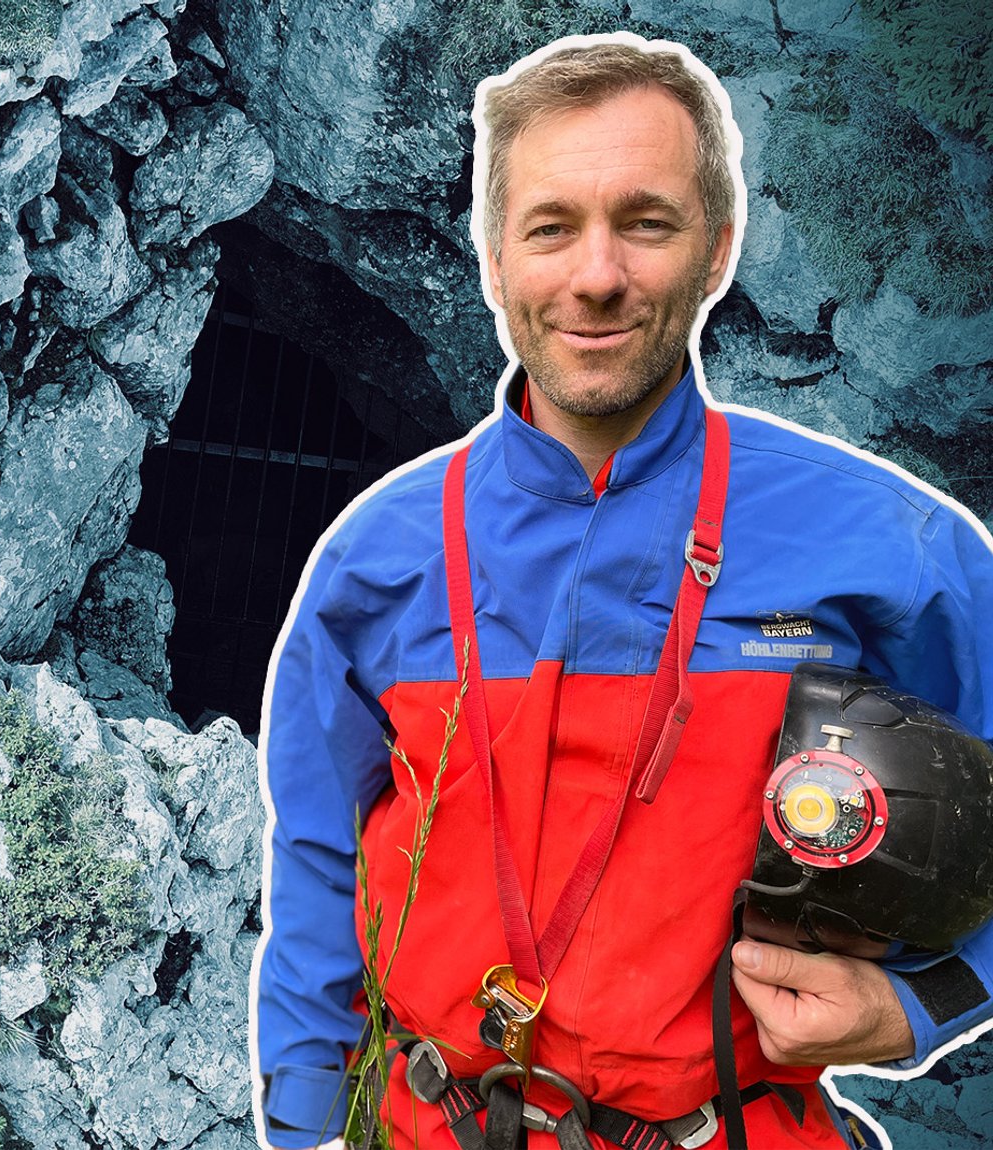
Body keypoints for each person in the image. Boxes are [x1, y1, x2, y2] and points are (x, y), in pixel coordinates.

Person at [252, 33, 993, 1150]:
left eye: (644, 221)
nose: (595, 275)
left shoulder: (889, 549)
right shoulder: (375, 562)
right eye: (549, 226)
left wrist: (929, 1000)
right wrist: (300, 1124)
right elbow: (315, 863)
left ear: (717, 248)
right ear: (493, 258)